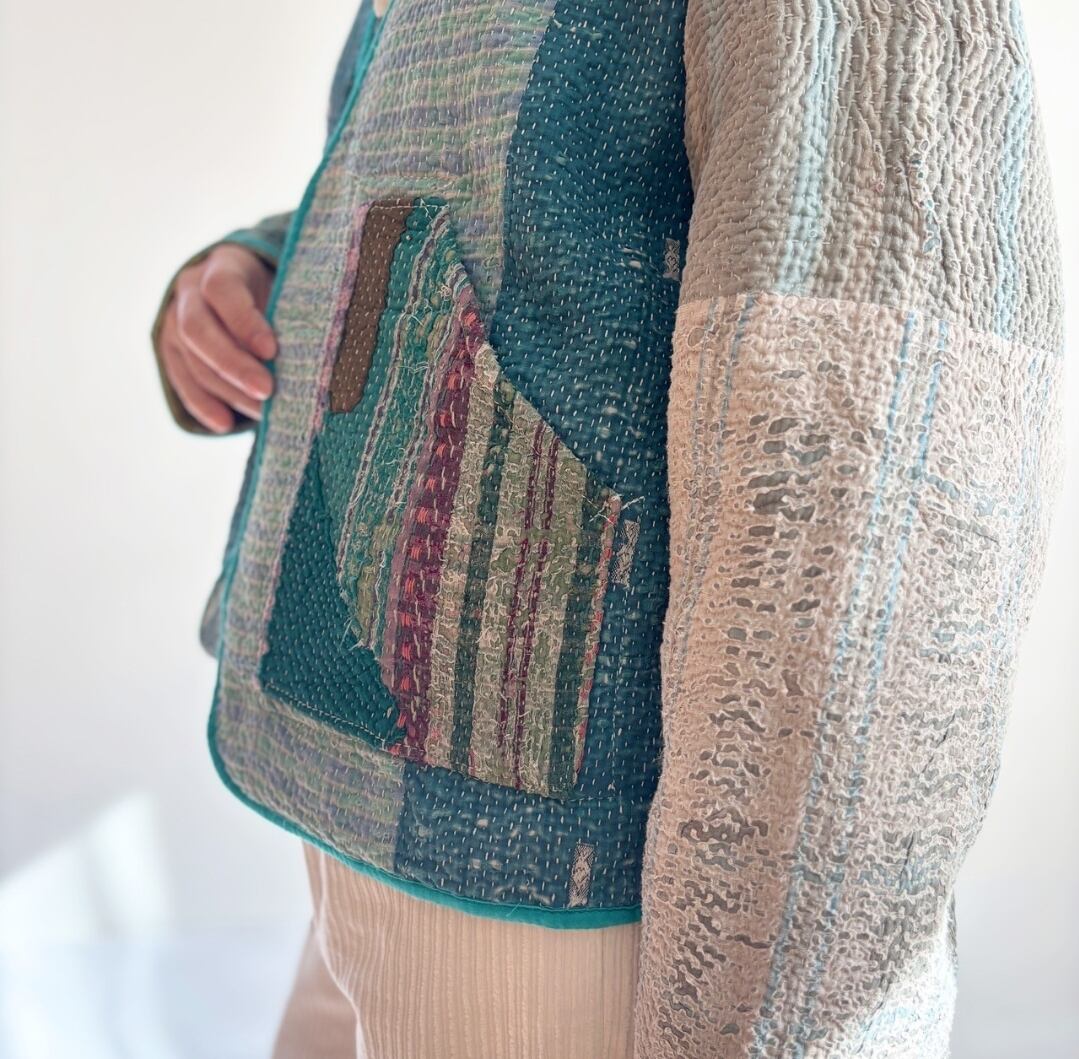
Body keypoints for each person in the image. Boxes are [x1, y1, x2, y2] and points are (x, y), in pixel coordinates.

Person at [151, 1, 1066, 1057]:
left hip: (556, 864)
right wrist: (261, 264)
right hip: (349, 763)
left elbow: (867, 453)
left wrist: (778, 1010)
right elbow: (474, 175)